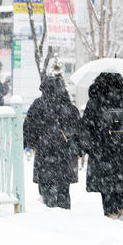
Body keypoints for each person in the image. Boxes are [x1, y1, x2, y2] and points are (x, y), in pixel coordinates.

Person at [80, 72, 123, 221]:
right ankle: (122, 211)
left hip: (102, 147)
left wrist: (87, 145)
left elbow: (86, 124)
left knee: (106, 182)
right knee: (121, 180)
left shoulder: (95, 100)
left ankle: (110, 213)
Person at [23, 76, 82, 209]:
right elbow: (79, 130)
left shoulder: (38, 105)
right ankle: (64, 214)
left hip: (45, 154)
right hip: (65, 155)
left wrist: (35, 144)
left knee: (47, 188)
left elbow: (29, 128)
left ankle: (50, 211)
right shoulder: (69, 107)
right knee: (63, 190)